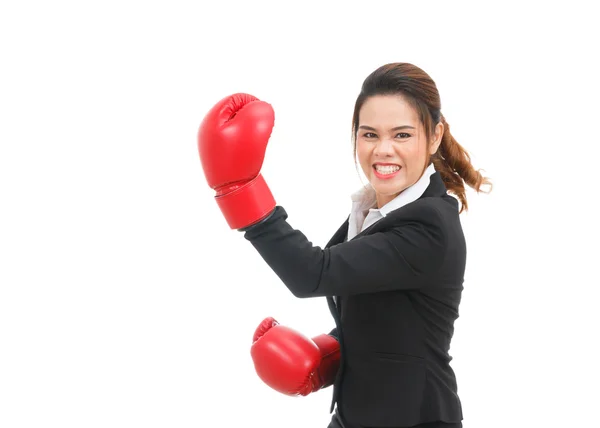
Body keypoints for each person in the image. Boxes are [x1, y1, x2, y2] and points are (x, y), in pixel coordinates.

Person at [197, 62, 492, 428]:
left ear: (433, 137)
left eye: (402, 135)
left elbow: (314, 274)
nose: (383, 150)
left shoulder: (429, 226)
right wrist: (327, 354)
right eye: (369, 134)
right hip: (354, 417)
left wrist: (238, 188)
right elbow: (386, 313)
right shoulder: (377, 209)